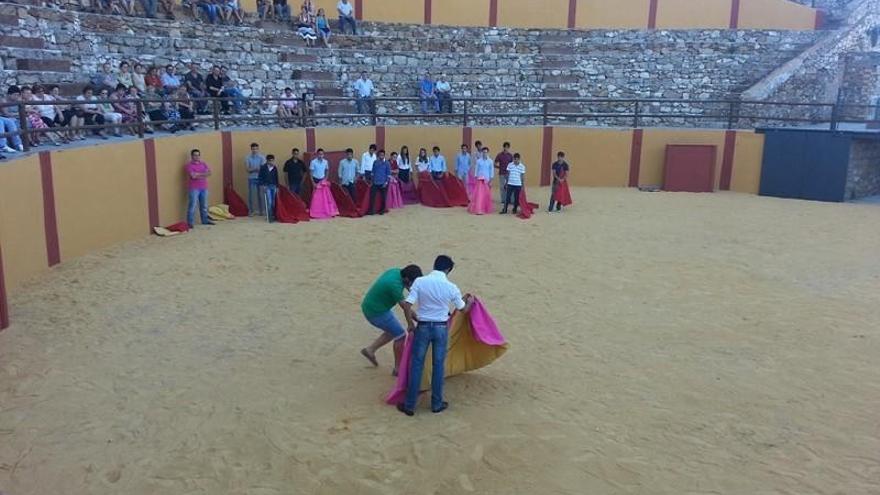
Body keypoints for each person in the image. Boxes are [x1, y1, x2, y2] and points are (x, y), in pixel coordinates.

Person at [399, 255, 473, 416]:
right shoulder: (451, 287)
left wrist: (410, 324)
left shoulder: (420, 282)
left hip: (423, 327)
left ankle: (410, 405)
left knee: (416, 365)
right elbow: (463, 310)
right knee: (438, 366)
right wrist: (470, 301)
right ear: (448, 270)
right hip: (441, 328)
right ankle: (437, 404)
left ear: (434, 265)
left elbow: (406, 305)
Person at [360, 265, 423, 376]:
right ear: (407, 279)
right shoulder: (394, 286)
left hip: (372, 306)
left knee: (392, 331)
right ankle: (398, 369)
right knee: (400, 335)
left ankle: (370, 350)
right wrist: (415, 321)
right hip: (376, 312)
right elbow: (405, 307)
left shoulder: (396, 272)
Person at [185, 149, 216, 228]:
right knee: (192, 205)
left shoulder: (203, 163)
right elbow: (193, 176)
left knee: (204, 205)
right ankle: (190, 223)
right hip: (194, 188)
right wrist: (203, 174)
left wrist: (198, 174)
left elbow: (209, 173)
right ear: (192, 156)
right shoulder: (189, 165)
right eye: (195, 155)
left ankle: (205, 220)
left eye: (198, 155)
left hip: (203, 187)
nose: (197, 157)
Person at [245, 143, 265, 215]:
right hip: (251, 178)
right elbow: (247, 169)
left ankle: (261, 211)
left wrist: (253, 169)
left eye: (256, 149)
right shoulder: (247, 158)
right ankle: (251, 211)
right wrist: (256, 169)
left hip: (260, 178)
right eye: (253, 149)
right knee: (251, 195)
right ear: (251, 149)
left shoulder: (262, 157)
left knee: (261, 195)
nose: (255, 150)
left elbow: (262, 169)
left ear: (258, 149)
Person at [368, 149, 390, 215]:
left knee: (383, 197)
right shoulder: (375, 162)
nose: (381, 156)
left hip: (383, 183)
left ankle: (382, 210)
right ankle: (371, 210)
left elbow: (388, 174)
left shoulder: (387, 163)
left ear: (384, 155)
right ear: (378, 155)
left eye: (382, 155)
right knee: (372, 196)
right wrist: (372, 181)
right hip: (375, 182)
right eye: (380, 155)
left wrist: (386, 182)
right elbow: (372, 172)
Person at [259, 154, 280, 222]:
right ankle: (269, 216)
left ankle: (273, 215)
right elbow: (260, 177)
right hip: (266, 186)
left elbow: (276, 178)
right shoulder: (263, 167)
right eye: (270, 161)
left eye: (272, 161)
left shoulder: (274, 168)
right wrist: (263, 185)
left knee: (273, 202)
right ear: (267, 161)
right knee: (269, 202)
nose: (272, 162)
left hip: (273, 186)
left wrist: (277, 187)